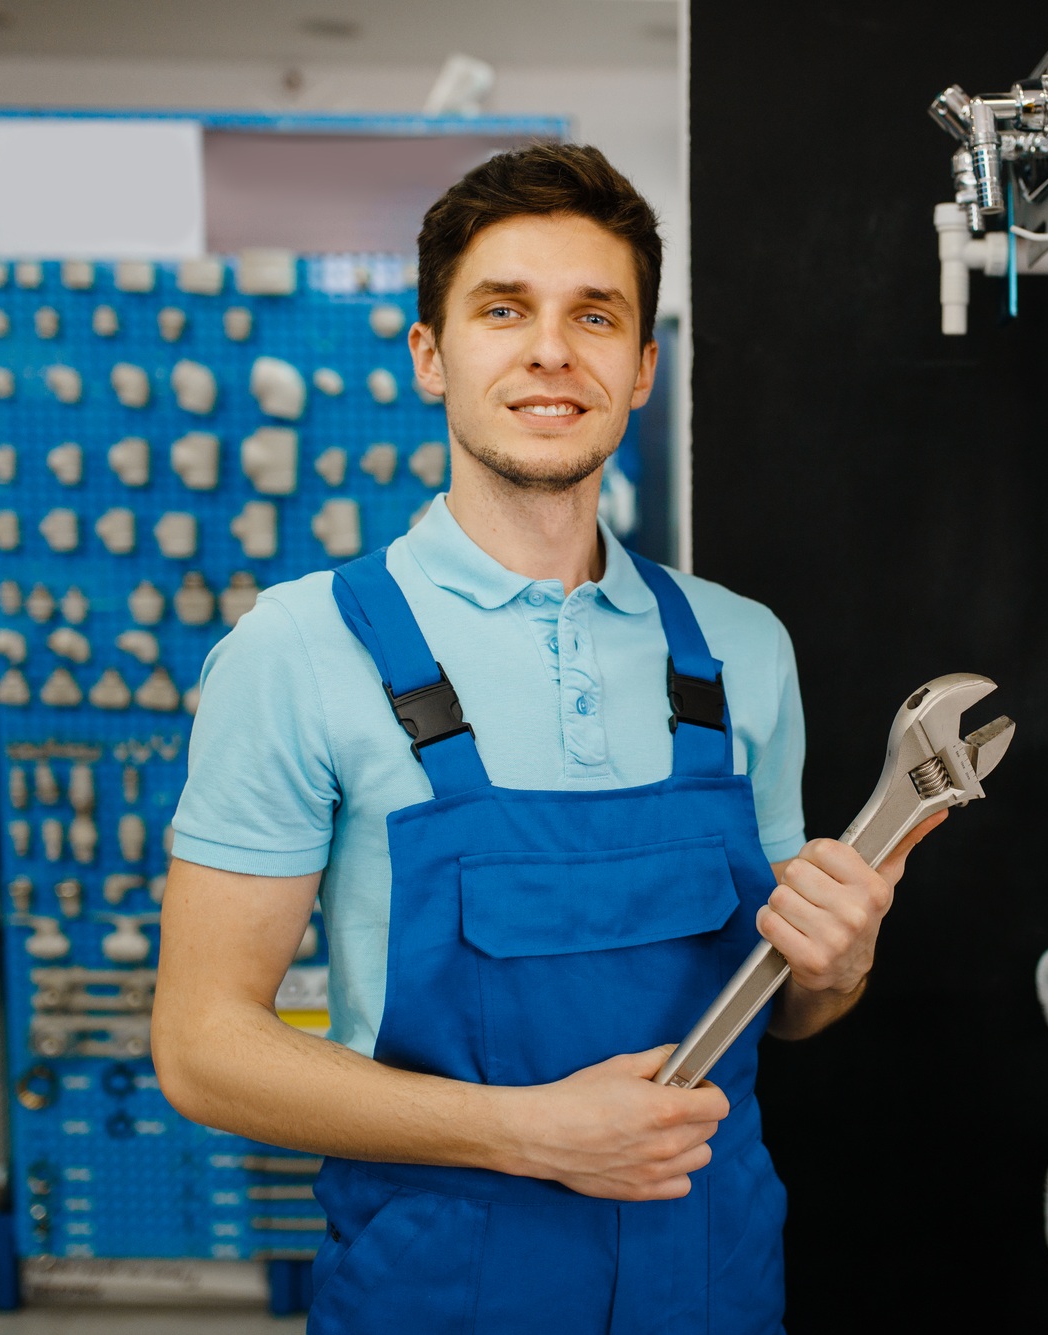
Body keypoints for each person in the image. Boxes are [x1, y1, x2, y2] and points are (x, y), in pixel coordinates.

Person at [151, 143, 943, 1334]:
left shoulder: (738, 648)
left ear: (641, 369)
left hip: (712, 1283)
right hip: (440, 1294)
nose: (551, 351)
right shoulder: (298, 649)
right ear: (429, 354)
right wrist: (525, 1133)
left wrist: (838, 969)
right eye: (502, 309)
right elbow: (203, 1048)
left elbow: (787, 1008)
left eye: (595, 315)